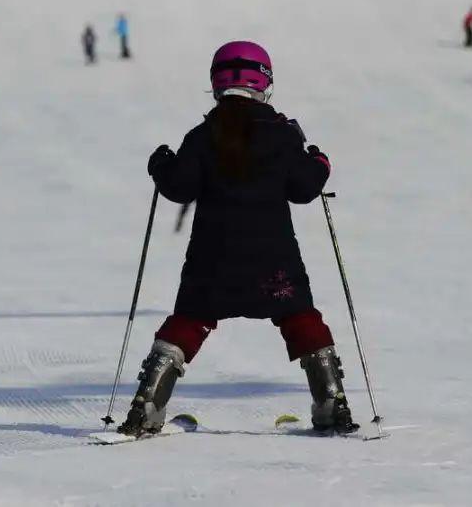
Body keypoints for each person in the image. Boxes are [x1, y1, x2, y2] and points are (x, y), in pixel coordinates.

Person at [113, 41, 359, 437]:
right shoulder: (281, 135)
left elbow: (178, 186)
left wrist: (160, 164)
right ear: (265, 83)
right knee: (300, 316)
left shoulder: (204, 135)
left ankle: (147, 405)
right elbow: (303, 188)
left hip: (212, 260)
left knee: (189, 320)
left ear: (216, 83)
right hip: (273, 259)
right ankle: (331, 401)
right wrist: (320, 162)